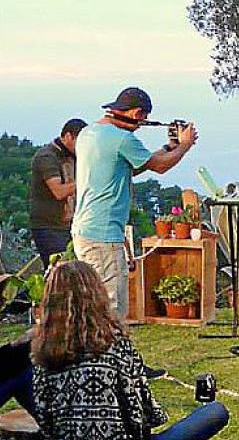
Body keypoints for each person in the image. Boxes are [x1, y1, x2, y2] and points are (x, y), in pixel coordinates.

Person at [29, 260, 229, 440]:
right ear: (97, 295)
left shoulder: (43, 353)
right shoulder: (116, 344)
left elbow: (44, 419)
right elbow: (140, 415)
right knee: (215, 412)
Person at [72, 87, 197, 321]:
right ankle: (111, 346)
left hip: (84, 230)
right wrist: (185, 145)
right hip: (103, 235)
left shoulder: (89, 133)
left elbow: (129, 166)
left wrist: (170, 147)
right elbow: (160, 166)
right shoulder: (122, 138)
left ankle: (94, 343)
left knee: (94, 304)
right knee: (112, 308)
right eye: (143, 119)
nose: (141, 125)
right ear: (137, 113)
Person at [30, 118, 87, 269]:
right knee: (60, 271)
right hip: (49, 227)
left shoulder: (74, 157)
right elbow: (59, 191)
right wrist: (89, 180)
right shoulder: (47, 157)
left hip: (70, 225)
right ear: (68, 136)